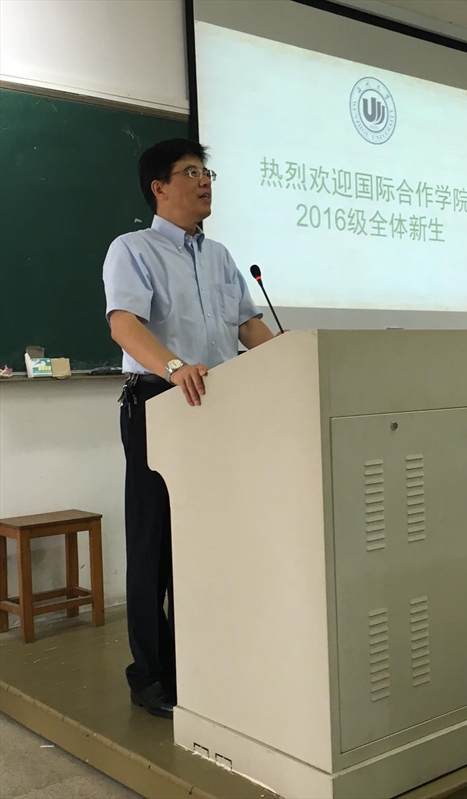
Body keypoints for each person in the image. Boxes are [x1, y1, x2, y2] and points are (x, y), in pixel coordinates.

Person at [102, 139, 276, 719]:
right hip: (160, 402)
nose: (205, 182)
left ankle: (206, 660)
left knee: (212, 541)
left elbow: (247, 327)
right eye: (192, 172)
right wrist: (175, 366)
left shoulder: (220, 256)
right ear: (159, 187)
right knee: (155, 543)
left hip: (221, 405)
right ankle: (152, 676)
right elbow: (124, 325)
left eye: (208, 173)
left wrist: (296, 361)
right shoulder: (133, 249)